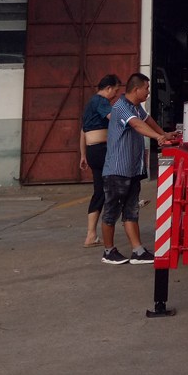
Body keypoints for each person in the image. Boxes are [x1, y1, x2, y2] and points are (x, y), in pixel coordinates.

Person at [101, 73, 179, 266]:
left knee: (131, 210)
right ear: (136, 90)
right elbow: (137, 124)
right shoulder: (120, 107)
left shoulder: (136, 107)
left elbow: (147, 120)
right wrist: (157, 138)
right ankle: (108, 251)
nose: (148, 91)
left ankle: (137, 251)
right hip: (117, 169)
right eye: (146, 88)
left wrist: (164, 134)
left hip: (132, 169)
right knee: (111, 211)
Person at [79, 73, 124, 247]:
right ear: (108, 88)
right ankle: (126, 201)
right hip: (102, 150)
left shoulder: (90, 104)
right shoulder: (101, 101)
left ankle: (91, 235)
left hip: (92, 151)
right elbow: (115, 119)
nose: (116, 94)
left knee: (99, 191)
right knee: (115, 183)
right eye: (116, 90)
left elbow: (83, 132)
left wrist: (83, 155)